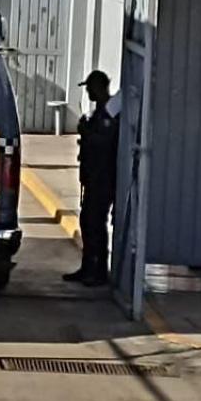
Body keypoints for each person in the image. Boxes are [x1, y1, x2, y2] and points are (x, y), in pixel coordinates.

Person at [65, 70, 121, 286]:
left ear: (100, 87)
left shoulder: (109, 114)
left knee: (96, 224)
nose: (87, 91)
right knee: (87, 223)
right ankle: (88, 267)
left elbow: (104, 143)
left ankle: (99, 271)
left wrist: (86, 132)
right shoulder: (98, 114)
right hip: (92, 178)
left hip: (103, 180)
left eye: (90, 87)